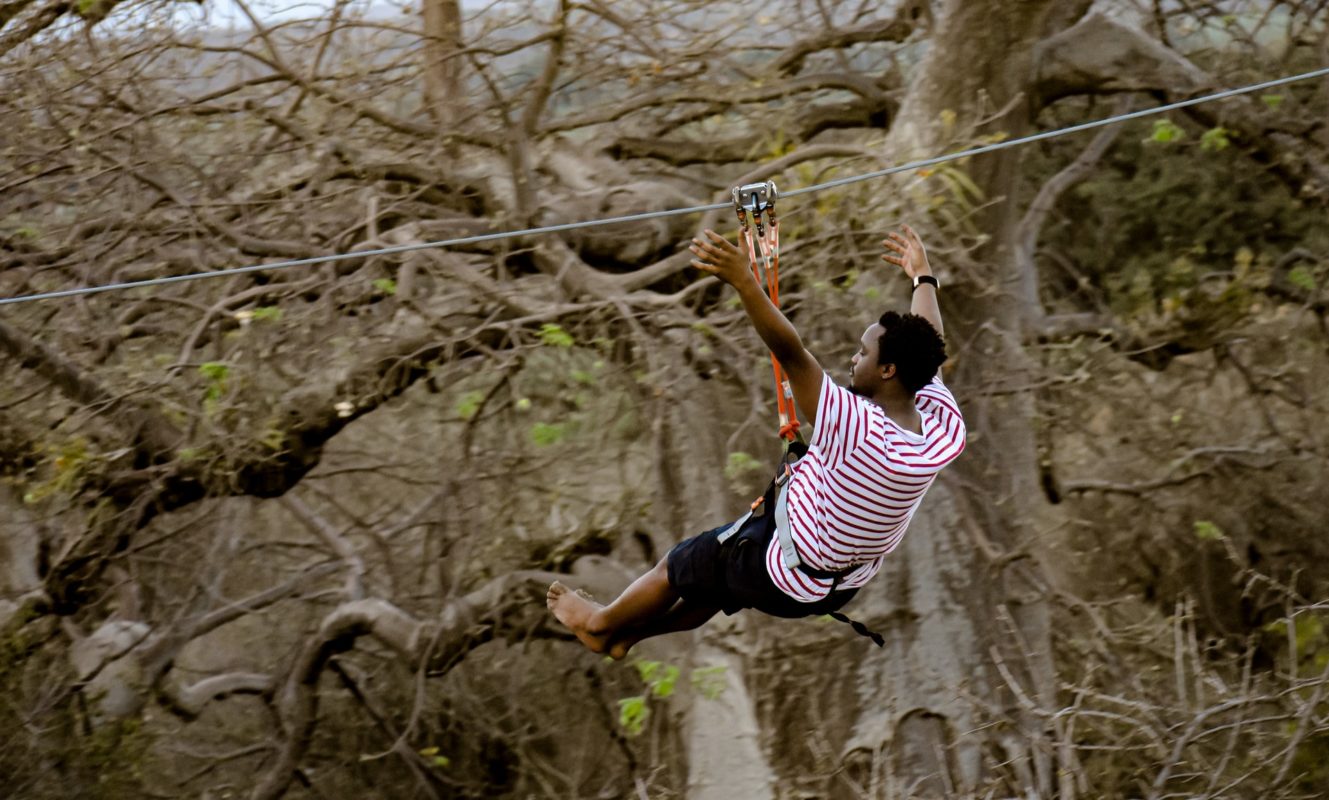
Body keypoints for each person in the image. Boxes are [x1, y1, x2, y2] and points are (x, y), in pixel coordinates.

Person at [547, 224, 965, 658]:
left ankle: (599, 624)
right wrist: (924, 279)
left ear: (888, 371)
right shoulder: (941, 429)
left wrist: (744, 281)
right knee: (715, 581)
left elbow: (791, 352)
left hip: (779, 566)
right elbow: (928, 347)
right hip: (835, 586)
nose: (852, 358)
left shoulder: (857, 426)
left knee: (677, 565)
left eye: (863, 353)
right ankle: (628, 638)